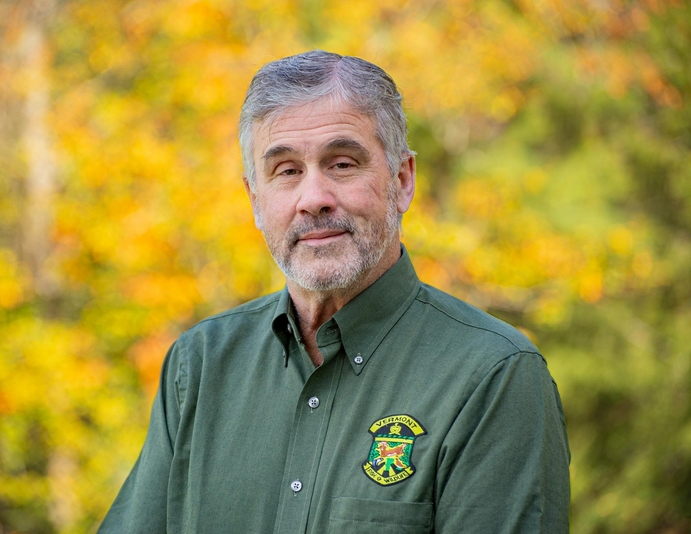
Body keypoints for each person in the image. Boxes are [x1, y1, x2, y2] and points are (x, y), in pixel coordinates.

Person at [99, 50, 570, 533]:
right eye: (286, 171)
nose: (313, 199)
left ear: (402, 180)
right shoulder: (200, 364)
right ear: (255, 200)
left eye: (342, 164)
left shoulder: (493, 376)